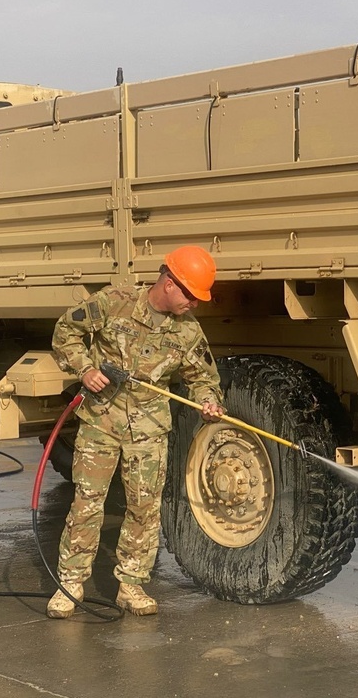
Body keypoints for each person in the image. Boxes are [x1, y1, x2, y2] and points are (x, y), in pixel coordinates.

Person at [47, 245, 225, 618]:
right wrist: (84, 369)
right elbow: (65, 332)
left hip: (149, 430)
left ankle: (131, 584)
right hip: (102, 422)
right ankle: (70, 582)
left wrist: (209, 401)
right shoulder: (115, 302)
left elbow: (203, 377)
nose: (194, 304)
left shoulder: (188, 332)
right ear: (170, 283)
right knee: (87, 502)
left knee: (144, 508)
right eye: (191, 294)